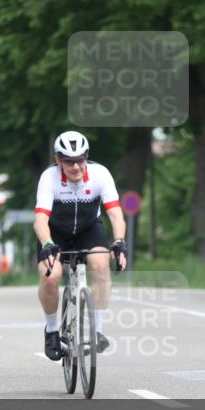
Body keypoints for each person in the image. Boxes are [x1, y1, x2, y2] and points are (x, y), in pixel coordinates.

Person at [35, 130, 127, 361]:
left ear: (87, 157)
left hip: (88, 229)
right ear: (58, 160)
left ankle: (97, 331)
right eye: (69, 161)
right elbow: (40, 219)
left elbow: (115, 213)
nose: (76, 166)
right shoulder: (49, 177)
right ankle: (53, 330)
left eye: (80, 160)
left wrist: (119, 241)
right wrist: (47, 243)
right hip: (55, 232)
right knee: (50, 277)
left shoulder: (100, 174)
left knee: (101, 267)